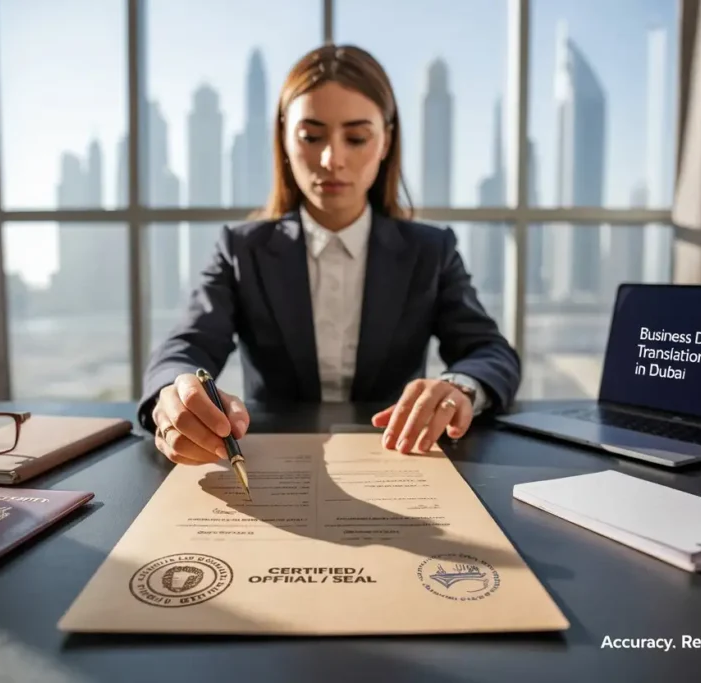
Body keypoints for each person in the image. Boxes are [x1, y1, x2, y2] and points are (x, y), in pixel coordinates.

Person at [138, 44, 521, 466]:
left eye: (356, 137)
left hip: (401, 463)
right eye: (311, 136)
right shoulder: (242, 249)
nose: (331, 159)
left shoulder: (431, 251)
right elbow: (186, 346)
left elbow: (489, 351)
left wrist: (460, 387)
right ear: (284, 138)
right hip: (272, 466)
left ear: (386, 142)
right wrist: (175, 396)